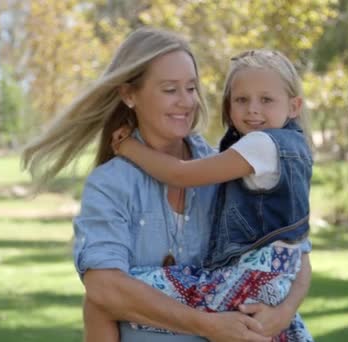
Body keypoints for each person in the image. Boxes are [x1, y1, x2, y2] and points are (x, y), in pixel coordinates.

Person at [21, 28, 310, 342]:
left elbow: (298, 253)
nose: (186, 102)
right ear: (129, 95)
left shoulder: (226, 171)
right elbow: (103, 286)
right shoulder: (111, 184)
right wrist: (207, 325)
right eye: (171, 89)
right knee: (97, 301)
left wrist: (282, 315)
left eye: (191, 88)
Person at [108, 49, 314, 341]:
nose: (252, 109)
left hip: (250, 275)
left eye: (266, 100)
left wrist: (129, 148)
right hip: (277, 276)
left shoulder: (261, 145)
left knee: (123, 292)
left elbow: (181, 174)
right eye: (242, 100)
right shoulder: (295, 149)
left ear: (294, 106)